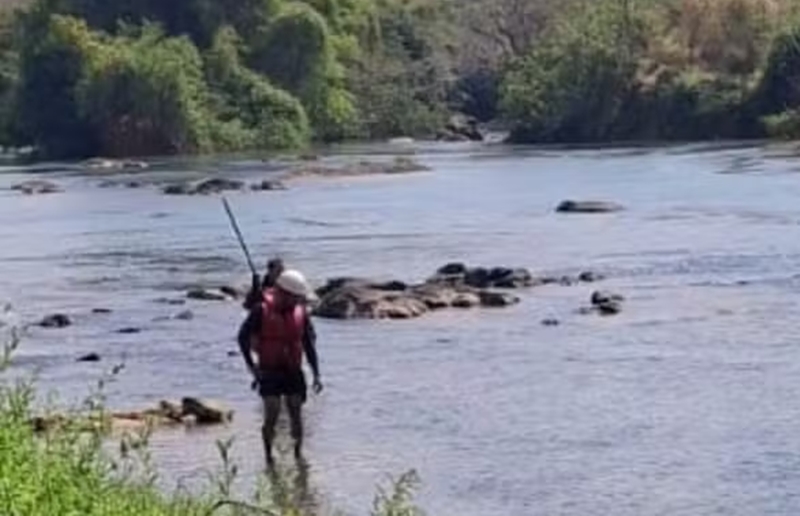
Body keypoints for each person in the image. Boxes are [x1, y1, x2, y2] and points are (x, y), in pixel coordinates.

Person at [237, 269, 323, 466]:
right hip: (269, 371)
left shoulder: (301, 314)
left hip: (293, 371)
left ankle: (299, 455)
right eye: (294, 297)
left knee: (296, 413)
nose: (296, 301)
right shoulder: (260, 310)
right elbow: (242, 338)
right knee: (272, 414)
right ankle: (268, 457)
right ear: (282, 293)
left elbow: (308, 344)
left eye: (298, 297)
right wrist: (252, 367)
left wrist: (316, 374)